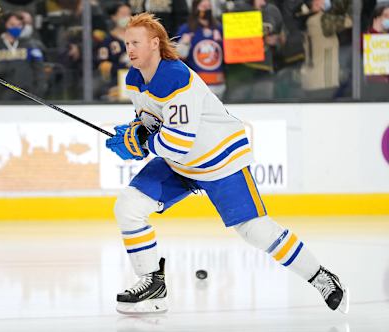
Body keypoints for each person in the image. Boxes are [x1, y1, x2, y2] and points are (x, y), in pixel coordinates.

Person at [105, 12, 349, 315]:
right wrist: (137, 134)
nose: (129, 49)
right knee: (128, 206)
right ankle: (153, 284)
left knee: (255, 231)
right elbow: (154, 124)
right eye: (127, 43)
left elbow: (179, 142)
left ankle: (320, 276)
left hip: (221, 161)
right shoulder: (134, 79)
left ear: (155, 43)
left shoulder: (175, 77)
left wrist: (142, 143)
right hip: (180, 165)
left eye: (136, 43)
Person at [0, 11, 45, 100]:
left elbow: (39, 71)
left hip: (28, 97)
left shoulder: (31, 46)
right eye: (12, 24)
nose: (16, 28)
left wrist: (37, 93)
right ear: (5, 25)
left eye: (19, 25)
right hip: (2, 99)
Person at [176, 0, 225, 99]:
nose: (205, 9)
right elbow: (178, 57)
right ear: (195, 8)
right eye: (202, 6)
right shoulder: (186, 29)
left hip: (218, 83)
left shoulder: (219, 28)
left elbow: (230, 53)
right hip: (196, 85)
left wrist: (223, 41)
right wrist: (184, 43)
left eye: (208, 7)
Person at [94, 2, 132, 100]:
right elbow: (104, 67)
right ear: (113, 17)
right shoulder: (107, 41)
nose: (127, 17)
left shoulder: (139, 39)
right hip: (115, 83)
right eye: (123, 14)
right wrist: (125, 66)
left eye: (129, 14)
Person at [362, 3, 389, 100]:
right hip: (376, 90)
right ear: (377, 18)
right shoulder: (368, 35)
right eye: (386, 16)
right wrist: (375, 32)